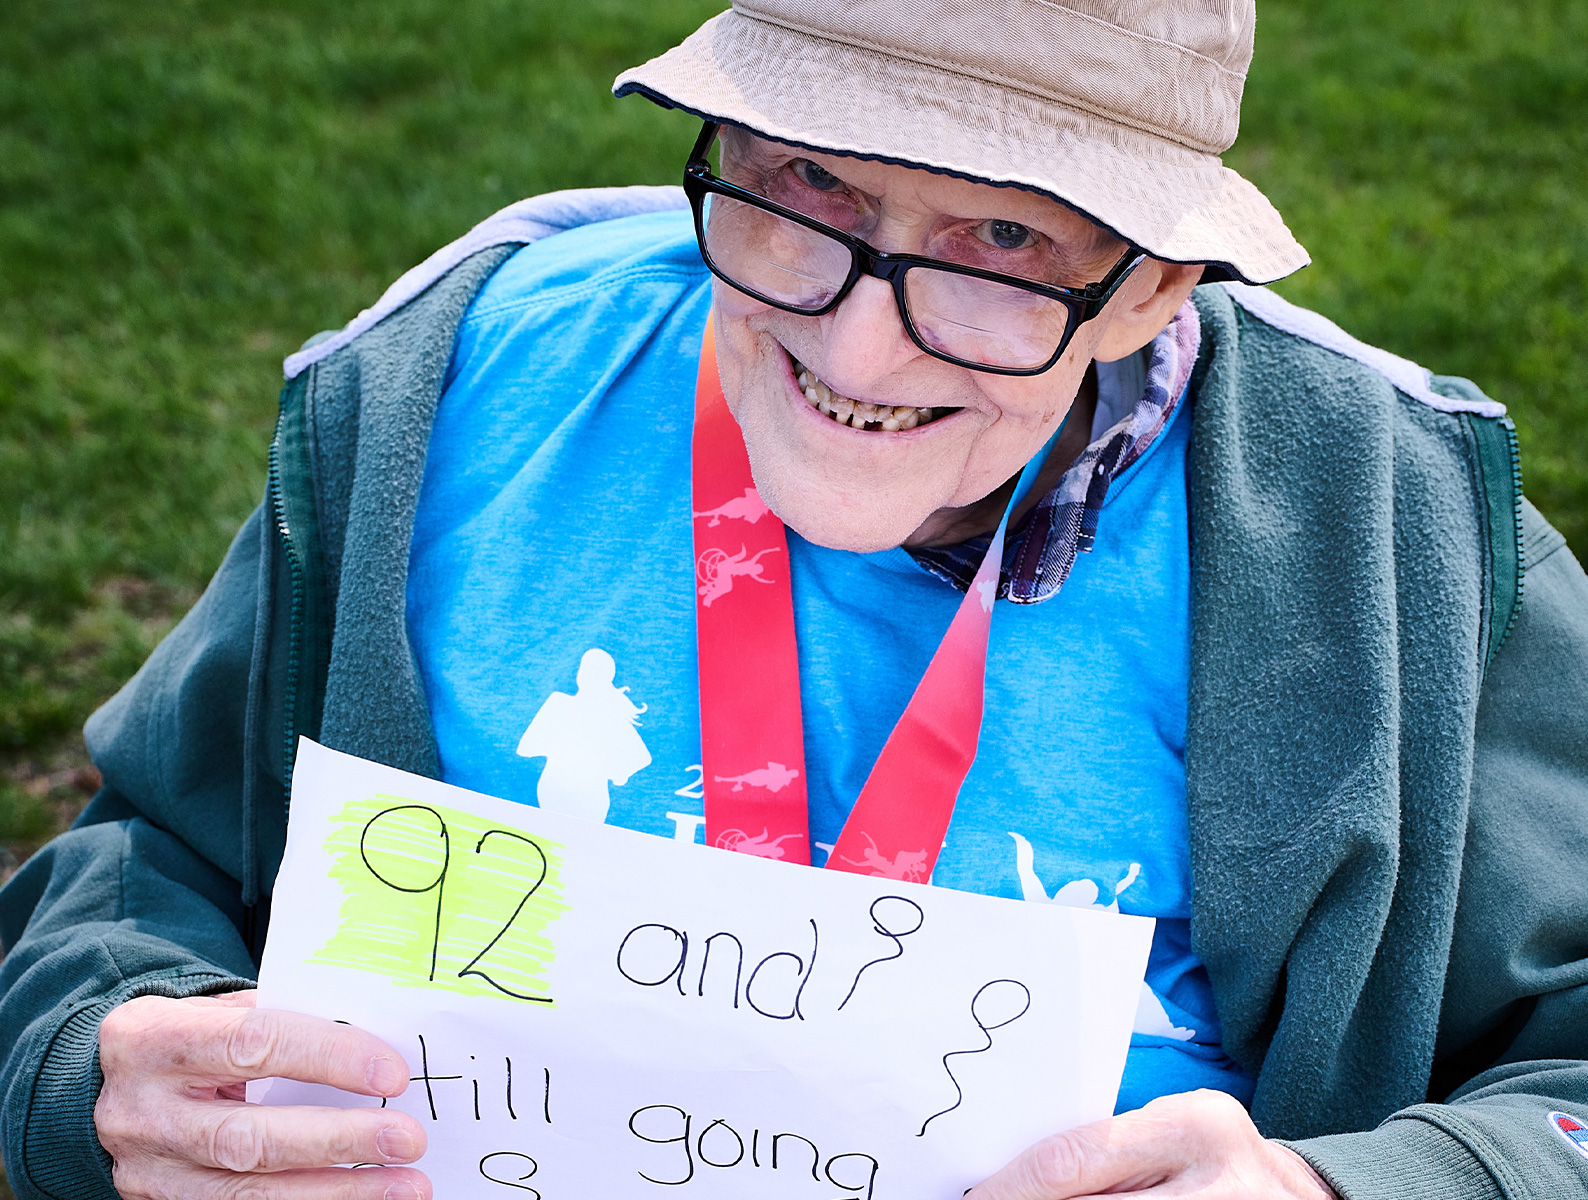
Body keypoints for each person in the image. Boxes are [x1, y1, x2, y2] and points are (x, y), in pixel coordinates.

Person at [2, 1, 1586, 1198]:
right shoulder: (449, 392)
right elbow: (147, 857)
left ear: (1159, 284)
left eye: (1005, 243)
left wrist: (1340, 1187)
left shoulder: (1390, 532)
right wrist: (96, 1069)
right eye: (807, 192)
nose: (856, 350)